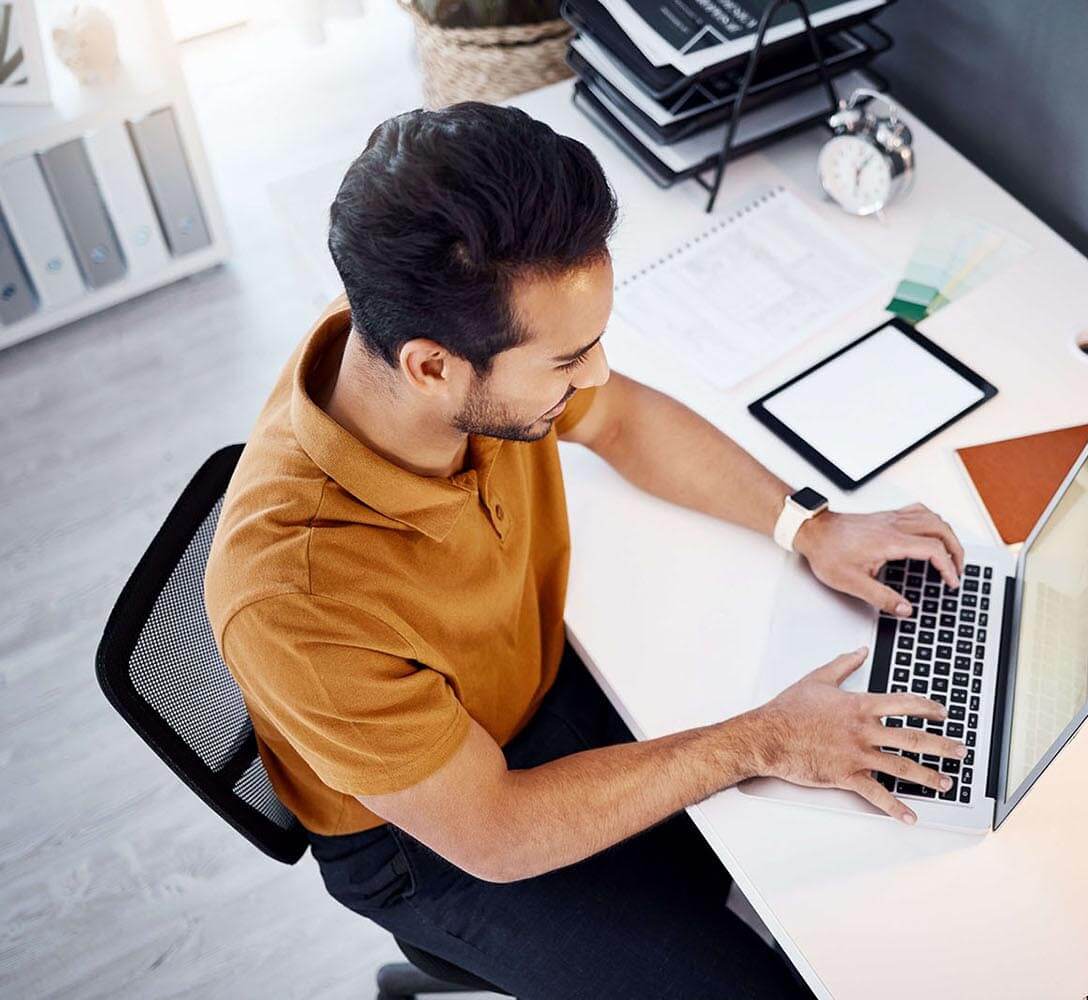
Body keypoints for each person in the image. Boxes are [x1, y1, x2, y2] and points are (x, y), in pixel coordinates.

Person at [204, 102, 967, 999]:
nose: (595, 376)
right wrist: (759, 741)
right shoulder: (296, 597)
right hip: (440, 838)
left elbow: (620, 418)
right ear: (431, 367)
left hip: (545, 690)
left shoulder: (425, 336)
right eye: (568, 360)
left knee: (859, 869)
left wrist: (810, 525)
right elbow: (497, 830)